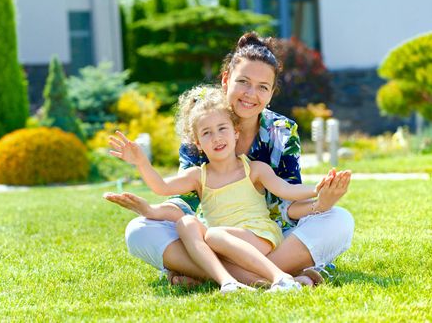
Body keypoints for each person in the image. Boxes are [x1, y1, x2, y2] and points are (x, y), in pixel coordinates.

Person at [105, 31, 354, 288]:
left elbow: (286, 201)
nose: (250, 93)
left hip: (270, 234)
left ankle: (211, 274)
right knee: (139, 230)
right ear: (226, 80)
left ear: (271, 94)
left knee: (340, 220)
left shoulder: (281, 130)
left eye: (262, 87)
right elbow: (184, 201)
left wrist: (320, 202)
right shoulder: (203, 123)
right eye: (243, 82)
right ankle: (278, 276)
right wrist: (151, 208)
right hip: (216, 234)